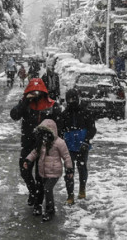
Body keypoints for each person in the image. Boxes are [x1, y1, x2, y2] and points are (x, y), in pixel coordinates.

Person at [10, 78, 62, 210]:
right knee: (24, 170)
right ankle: (32, 192)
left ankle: (38, 203)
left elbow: (59, 126)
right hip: (28, 145)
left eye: (38, 92)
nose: (36, 95)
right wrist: (25, 101)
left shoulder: (51, 106)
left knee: (41, 176)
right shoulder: (26, 104)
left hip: (45, 146)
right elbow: (14, 115)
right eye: (33, 92)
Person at [23, 119, 73, 221]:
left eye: (46, 133)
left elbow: (66, 156)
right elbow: (35, 152)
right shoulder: (42, 142)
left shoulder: (59, 142)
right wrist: (28, 160)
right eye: (42, 133)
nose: (44, 136)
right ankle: (46, 207)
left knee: (47, 189)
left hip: (55, 171)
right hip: (43, 171)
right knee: (44, 188)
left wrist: (69, 169)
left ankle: (50, 210)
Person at [58, 88, 97, 203]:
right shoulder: (64, 114)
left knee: (82, 168)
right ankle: (70, 195)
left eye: (73, 98)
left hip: (82, 145)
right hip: (69, 146)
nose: (71, 101)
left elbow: (92, 129)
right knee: (69, 170)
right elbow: (60, 131)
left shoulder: (85, 112)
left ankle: (82, 190)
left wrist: (86, 141)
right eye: (69, 99)